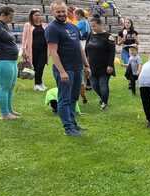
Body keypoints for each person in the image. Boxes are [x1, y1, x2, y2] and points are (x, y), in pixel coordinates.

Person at [45, 0, 91, 137]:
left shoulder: (73, 27)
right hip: (65, 69)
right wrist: (62, 71)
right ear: (53, 12)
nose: (61, 14)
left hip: (77, 68)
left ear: (67, 11)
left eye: (63, 11)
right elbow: (53, 51)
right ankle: (68, 128)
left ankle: (73, 124)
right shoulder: (52, 28)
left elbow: (79, 48)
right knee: (64, 99)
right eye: (58, 12)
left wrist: (86, 65)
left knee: (73, 98)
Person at [85, 16, 115, 111]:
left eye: (94, 26)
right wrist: (85, 63)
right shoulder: (90, 34)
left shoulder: (108, 36)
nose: (93, 28)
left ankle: (104, 103)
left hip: (104, 67)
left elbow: (112, 52)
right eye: (92, 26)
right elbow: (86, 48)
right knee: (94, 85)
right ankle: (103, 99)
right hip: (92, 66)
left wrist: (110, 65)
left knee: (103, 85)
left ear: (100, 25)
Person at [21, 8, 48, 92]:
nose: (38, 16)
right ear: (31, 16)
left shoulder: (44, 25)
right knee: (36, 67)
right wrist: (24, 50)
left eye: (39, 15)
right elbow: (24, 38)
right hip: (32, 50)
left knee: (41, 66)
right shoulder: (28, 25)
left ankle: (39, 82)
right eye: (36, 15)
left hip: (43, 49)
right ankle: (37, 84)